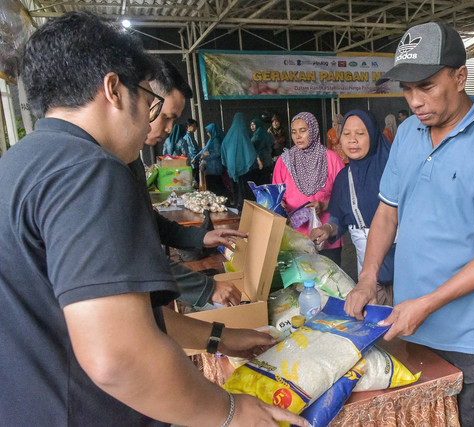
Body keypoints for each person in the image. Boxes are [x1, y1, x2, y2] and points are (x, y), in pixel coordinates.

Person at [0, 12, 307, 427]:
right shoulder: (89, 169)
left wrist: (222, 338)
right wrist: (229, 411)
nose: (150, 119)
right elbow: (118, 356)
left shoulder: (20, 163)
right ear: (113, 90)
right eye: (149, 102)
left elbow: (122, 317)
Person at [344, 22, 474, 427]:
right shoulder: (409, 135)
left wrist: (427, 304)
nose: (415, 101)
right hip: (409, 331)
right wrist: (367, 277)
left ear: (460, 76)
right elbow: (387, 212)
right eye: (407, 89)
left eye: (426, 86)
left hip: (468, 344)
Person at [128, 60, 240, 308]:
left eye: (173, 120)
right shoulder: (95, 167)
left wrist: (201, 237)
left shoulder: (130, 159)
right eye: (164, 116)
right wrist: (207, 287)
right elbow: (132, 257)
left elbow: (148, 221)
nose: (168, 128)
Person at [309, 109, 394, 305]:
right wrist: (327, 228)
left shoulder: (393, 172)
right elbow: (339, 218)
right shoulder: (344, 177)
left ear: (372, 134)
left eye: (360, 133)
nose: (352, 140)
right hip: (369, 275)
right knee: (378, 326)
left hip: (405, 270)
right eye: (346, 134)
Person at [273, 112, 345, 265]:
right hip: (294, 237)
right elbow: (276, 196)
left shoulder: (331, 159)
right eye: (294, 132)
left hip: (327, 235)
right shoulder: (284, 162)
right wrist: (281, 206)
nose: (298, 136)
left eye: (303, 130)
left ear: (313, 130)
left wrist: (323, 204)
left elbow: (344, 195)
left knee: (330, 284)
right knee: (299, 285)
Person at [221, 112, 259, 210]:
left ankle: (237, 203)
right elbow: (250, 151)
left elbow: (223, 148)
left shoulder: (229, 135)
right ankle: (243, 204)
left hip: (231, 167)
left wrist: (227, 162)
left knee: (234, 185)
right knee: (244, 186)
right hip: (244, 167)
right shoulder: (243, 134)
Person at [195, 122, 226, 197]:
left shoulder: (216, 141)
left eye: (209, 132)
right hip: (210, 168)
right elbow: (204, 150)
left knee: (215, 187)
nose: (207, 134)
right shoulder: (211, 140)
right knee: (212, 186)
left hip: (214, 168)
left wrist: (206, 155)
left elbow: (217, 153)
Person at [250, 117, 275, 184]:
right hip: (268, 161)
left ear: (257, 125)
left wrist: (258, 160)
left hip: (260, 162)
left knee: (260, 182)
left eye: (253, 125)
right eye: (251, 125)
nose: (252, 127)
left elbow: (254, 149)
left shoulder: (257, 136)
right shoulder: (267, 134)